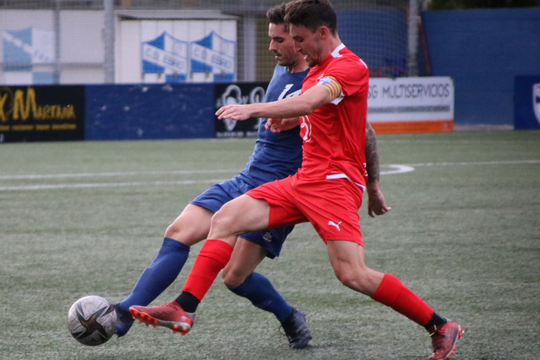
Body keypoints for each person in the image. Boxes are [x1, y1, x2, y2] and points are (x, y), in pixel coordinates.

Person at [129, 1, 463, 360]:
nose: (297, 47)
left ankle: (440, 326)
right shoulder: (316, 67)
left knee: (352, 274)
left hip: (335, 184)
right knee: (226, 217)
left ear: (323, 32)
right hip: (303, 181)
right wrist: (292, 122)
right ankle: (184, 307)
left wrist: (252, 109)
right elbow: (318, 113)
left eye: (301, 39)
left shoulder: (349, 67)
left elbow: (312, 103)